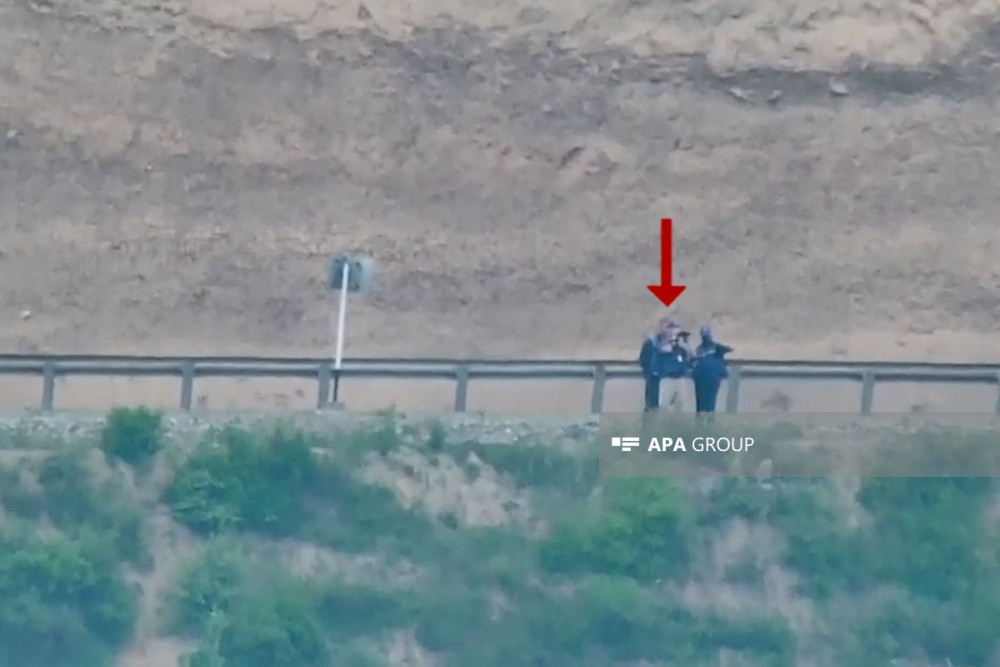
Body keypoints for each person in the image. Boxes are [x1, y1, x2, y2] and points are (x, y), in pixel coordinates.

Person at [692, 326, 733, 419]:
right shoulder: (699, 349)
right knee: (700, 399)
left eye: (706, 334)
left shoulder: (716, 347)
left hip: (713, 376)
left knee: (711, 399)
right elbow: (697, 361)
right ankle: (700, 419)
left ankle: (710, 418)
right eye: (703, 334)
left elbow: (728, 349)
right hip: (701, 377)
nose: (705, 336)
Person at [659, 321, 694, 412]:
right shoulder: (664, 342)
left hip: (681, 377)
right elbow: (664, 349)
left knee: (683, 403)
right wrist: (672, 341)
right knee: (664, 404)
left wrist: (683, 344)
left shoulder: (683, 346)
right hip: (668, 378)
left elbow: (692, 354)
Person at [639, 318, 671, 411]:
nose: (667, 330)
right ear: (660, 328)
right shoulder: (651, 342)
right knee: (652, 403)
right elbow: (643, 358)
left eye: (669, 327)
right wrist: (648, 371)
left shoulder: (673, 343)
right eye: (666, 327)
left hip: (667, 377)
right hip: (653, 376)